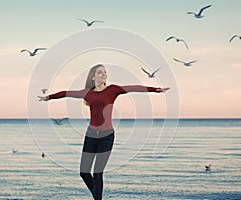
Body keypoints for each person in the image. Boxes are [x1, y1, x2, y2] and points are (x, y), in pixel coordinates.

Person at [38, 64, 169, 200]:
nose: (104, 74)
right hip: (91, 136)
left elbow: (133, 88)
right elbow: (66, 93)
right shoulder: (87, 93)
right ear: (93, 77)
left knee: (98, 172)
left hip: (107, 136)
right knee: (84, 172)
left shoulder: (113, 90)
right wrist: (48, 98)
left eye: (105, 72)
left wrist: (155, 90)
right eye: (100, 72)